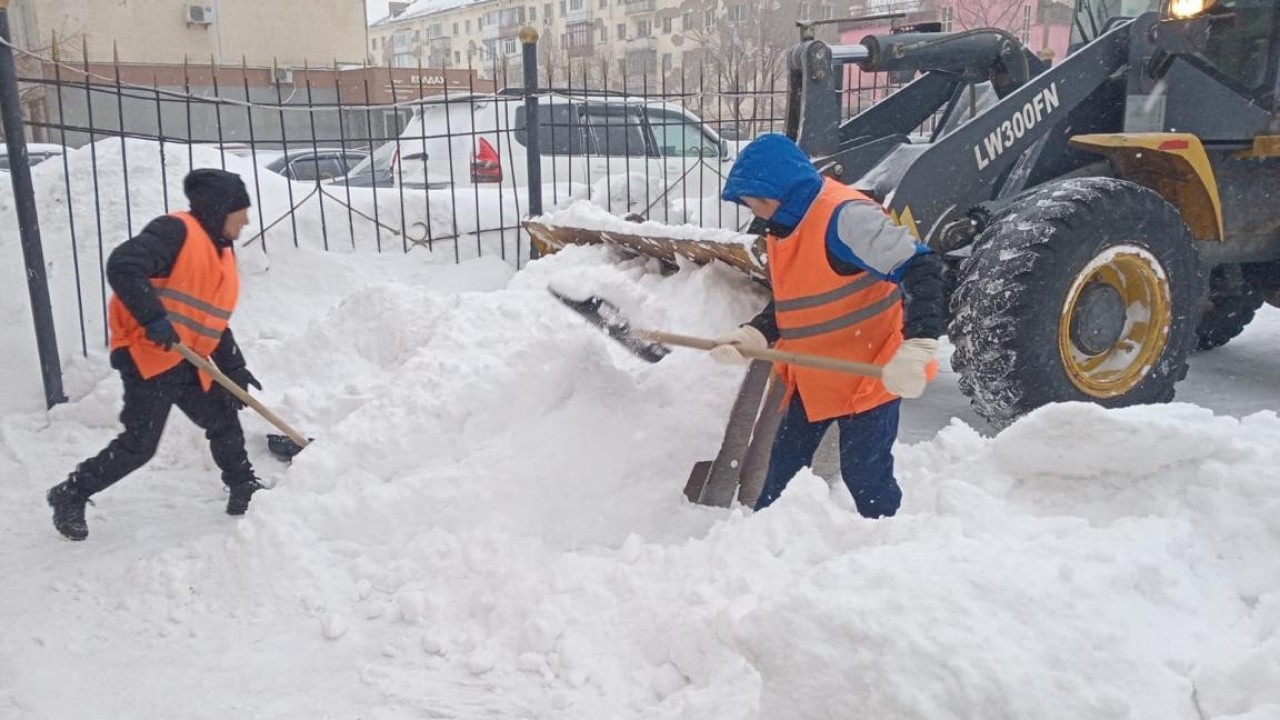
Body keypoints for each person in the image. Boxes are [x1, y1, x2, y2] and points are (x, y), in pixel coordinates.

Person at [712, 134, 945, 518]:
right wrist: (756, 331)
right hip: (818, 373)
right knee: (783, 469)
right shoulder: (785, 226)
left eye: (751, 200)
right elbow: (801, 296)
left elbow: (922, 267)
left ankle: (890, 545)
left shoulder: (847, 218)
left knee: (865, 474)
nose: (750, 209)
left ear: (773, 193)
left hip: (871, 370)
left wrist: (918, 345)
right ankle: (764, 542)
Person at [46, 168, 266, 541]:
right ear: (218, 209)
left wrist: (234, 367)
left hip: (186, 357)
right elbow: (123, 265)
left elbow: (211, 319)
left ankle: (243, 487)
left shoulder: (220, 252)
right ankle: (70, 493)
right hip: (149, 355)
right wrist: (153, 318)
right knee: (140, 445)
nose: (246, 219)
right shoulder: (175, 232)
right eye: (239, 210)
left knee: (222, 416)